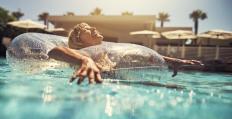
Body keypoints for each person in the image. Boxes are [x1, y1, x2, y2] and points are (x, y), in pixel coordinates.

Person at [47, 23, 202, 84]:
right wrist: (85, 61)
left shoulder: (108, 51)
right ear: (78, 41)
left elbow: (135, 53)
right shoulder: (81, 53)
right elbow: (55, 51)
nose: (93, 28)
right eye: (86, 29)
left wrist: (171, 60)